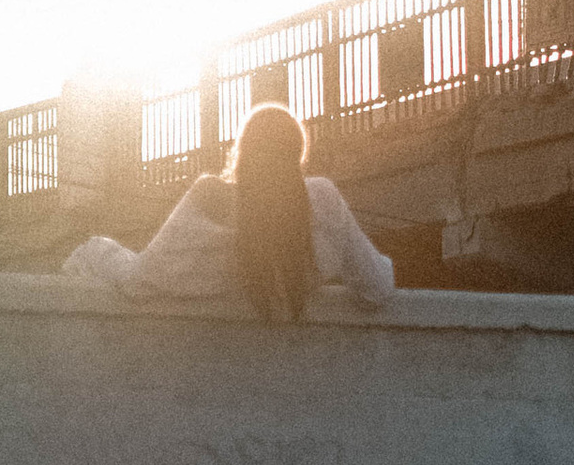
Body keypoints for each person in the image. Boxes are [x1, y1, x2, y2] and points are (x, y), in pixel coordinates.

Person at [64, 102, 396, 318]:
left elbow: (142, 280)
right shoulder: (322, 198)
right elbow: (377, 288)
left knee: (87, 253)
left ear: (243, 152)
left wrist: (93, 252)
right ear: (297, 155)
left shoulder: (210, 196)